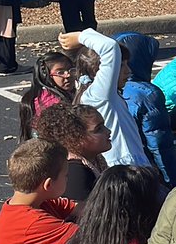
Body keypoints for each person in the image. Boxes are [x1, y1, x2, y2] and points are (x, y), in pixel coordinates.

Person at [60, 29, 149, 167]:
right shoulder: (99, 95)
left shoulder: (104, 95)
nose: (128, 71)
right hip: (125, 169)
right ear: (98, 69)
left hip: (131, 167)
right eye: (120, 66)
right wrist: (80, 37)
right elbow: (110, 47)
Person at [114, 32, 176, 186]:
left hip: (112, 170)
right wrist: (173, 183)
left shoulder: (104, 90)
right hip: (141, 169)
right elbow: (159, 145)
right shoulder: (147, 94)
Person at [34, 103, 110, 201]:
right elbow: (86, 213)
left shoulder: (95, 160)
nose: (108, 131)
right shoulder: (76, 173)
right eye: (98, 129)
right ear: (75, 138)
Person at [18, 52, 75, 141]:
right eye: (60, 72)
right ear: (46, 76)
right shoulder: (51, 102)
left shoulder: (39, 94)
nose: (68, 75)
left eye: (71, 70)